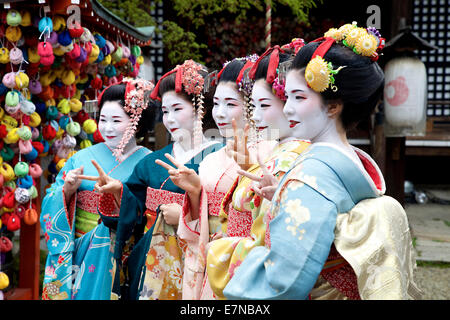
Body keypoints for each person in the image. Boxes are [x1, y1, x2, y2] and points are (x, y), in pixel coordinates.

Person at [218, 23, 422, 299]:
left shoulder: (309, 179)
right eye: (287, 96)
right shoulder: (353, 162)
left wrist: (219, 253)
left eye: (299, 97)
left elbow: (282, 285)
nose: (287, 108)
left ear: (334, 106)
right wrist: (281, 194)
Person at [87, 60, 223, 300]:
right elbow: (134, 210)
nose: (169, 119)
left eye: (177, 109)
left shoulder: (220, 158)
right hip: (149, 258)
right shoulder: (151, 162)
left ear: (199, 108)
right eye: (166, 111)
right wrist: (119, 191)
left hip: (196, 259)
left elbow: (227, 217)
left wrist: (186, 217)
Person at [206, 42, 311, 299]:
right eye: (254, 106)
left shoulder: (289, 159)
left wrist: (217, 250)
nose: (255, 117)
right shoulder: (281, 153)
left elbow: (272, 243)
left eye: (264, 105)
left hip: (254, 275)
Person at [155, 56, 263, 299]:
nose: (220, 113)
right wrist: (194, 193)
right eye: (215, 104)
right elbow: (200, 220)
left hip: (242, 261)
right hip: (207, 259)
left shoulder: (267, 154)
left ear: (252, 105)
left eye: (230, 104)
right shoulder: (212, 159)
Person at [40, 79, 155, 300]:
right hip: (78, 252)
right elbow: (51, 200)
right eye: (103, 119)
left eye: (116, 120)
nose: (107, 128)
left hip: (121, 253)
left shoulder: (147, 162)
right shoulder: (81, 157)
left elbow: (150, 214)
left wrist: (120, 194)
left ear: (137, 123)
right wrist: (67, 191)